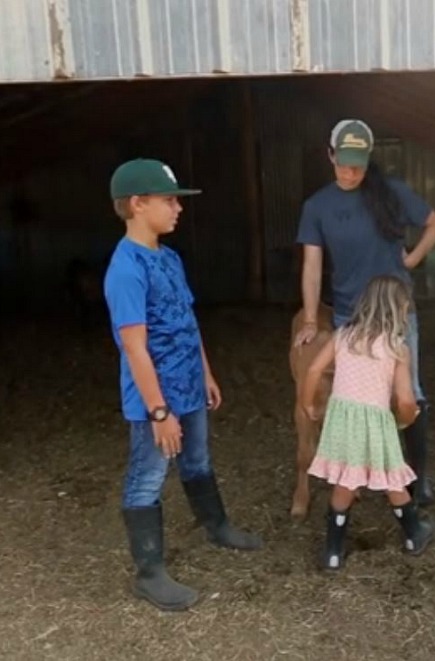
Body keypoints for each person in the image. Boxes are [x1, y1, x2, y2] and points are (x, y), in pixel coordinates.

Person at [104, 158, 262, 612]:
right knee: (147, 475)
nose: (178, 209)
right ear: (138, 204)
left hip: (188, 385)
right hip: (156, 398)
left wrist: (206, 372)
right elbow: (134, 347)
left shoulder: (168, 258)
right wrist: (158, 411)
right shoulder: (125, 269)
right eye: (169, 200)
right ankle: (149, 572)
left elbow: (186, 321)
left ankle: (217, 526)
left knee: (197, 459)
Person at [294, 119, 435, 506]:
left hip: (396, 314)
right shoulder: (318, 206)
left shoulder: (391, 193)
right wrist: (311, 318)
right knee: (355, 397)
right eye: (343, 163)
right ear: (330, 156)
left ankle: (418, 476)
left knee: (408, 392)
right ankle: (355, 477)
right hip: (350, 315)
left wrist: (411, 258)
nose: (350, 172)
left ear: (368, 159)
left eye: (357, 165)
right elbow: (312, 266)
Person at [302, 275, 435, 570]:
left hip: (343, 421)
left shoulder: (342, 336)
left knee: (345, 483)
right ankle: (414, 535)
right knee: (392, 479)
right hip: (376, 424)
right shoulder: (397, 347)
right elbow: (404, 399)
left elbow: (313, 370)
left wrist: (309, 403)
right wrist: (407, 416)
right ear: (398, 310)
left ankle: (333, 553)